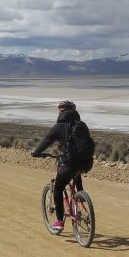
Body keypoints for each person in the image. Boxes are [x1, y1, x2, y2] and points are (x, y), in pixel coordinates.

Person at [31, 99, 93, 233]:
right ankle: (80, 194)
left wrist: (36, 153)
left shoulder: (59, 127)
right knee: (76, 171)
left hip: (69, 163)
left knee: (58, 188)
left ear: (61, 111)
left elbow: (46, 141)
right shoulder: (82, 125)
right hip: (86, 163)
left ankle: (59, 221)